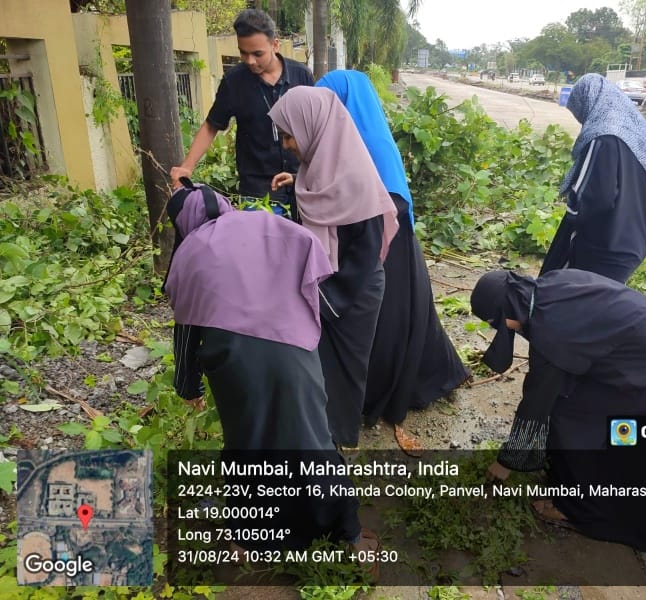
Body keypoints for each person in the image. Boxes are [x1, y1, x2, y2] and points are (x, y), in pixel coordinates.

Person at [163, 183, 379, 570]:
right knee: (312, 439)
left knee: (248, 446)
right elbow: (310, 262)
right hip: (295, 346)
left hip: (235, 363)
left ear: (182, 221)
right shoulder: (263, 223)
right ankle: (350, 535)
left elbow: (187, 332)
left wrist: (188, 387)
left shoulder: (191, 250)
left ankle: (248, 542)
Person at [471, 268, 646, 555]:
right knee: (592, 416)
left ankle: (578, 507)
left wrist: (507, 461)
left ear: (506, 313)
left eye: (496, 324)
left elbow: (536, 404)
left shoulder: (552, 332)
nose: (505, 331)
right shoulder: (548, 286)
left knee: (575, 422)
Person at [315, 70, 470, 450]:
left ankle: (381, 396)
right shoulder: (349, 137)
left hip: (389, 246)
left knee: (387, 325)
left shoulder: (373, 143)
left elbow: (394, 202)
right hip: (373, 243)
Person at [268, 86, 399, 448]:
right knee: (319, 365)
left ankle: (341, 442)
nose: (287, 144)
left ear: (313, 127)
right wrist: (295, 181)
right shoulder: (319, 167)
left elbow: (364, 254)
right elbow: (325, 200)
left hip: (354, 291)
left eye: (289, 135)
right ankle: (318, 434)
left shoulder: (357, 181)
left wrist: (321, 300)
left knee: (345, 370)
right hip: (327, 285)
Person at [169, 9, 314, 213]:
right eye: (243, 53)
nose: (250, 60)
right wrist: (187, 166)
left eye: (257, 54)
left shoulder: (302, 76)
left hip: (301, 185)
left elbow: (317, 127)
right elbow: (211, 126)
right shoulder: (234, 81)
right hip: (257, 193)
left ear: (275, 44)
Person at [539, 73, 646, 284]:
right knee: (605, 299)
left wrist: (570, 224)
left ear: (589, 103)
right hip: (635, 240)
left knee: (561, 292)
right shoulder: (637, 133)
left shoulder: (602, 137)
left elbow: (593, 196)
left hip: (604, 246)